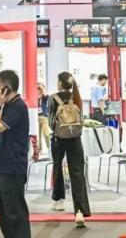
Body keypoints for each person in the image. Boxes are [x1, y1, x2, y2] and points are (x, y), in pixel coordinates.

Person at [0, 69, 31, 238]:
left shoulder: (18, 106)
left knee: (15, 212)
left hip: (13, 167)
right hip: (2, 165)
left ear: (6, 88)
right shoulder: (8, 105)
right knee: (4, 211)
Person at [49, 72, 90, 227]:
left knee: (58, 167)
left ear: (60, 83)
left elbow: (50, 121)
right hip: (75, 139)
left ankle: (59, 200)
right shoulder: (76, 97)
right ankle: (79, 211)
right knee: (77, 172)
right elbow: (81, 118)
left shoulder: (53, 98)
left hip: (58, 139)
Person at [37, 83, 52, 156]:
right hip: (36, 117)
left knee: (46, 133)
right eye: (38, 88)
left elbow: (47, 96)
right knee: (38, 135)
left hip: (44, 117)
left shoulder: (44, 97)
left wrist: (42, 88)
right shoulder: (35, 97)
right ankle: (40, 150)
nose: (39, 90)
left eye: (40, 89)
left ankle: (50, 148)